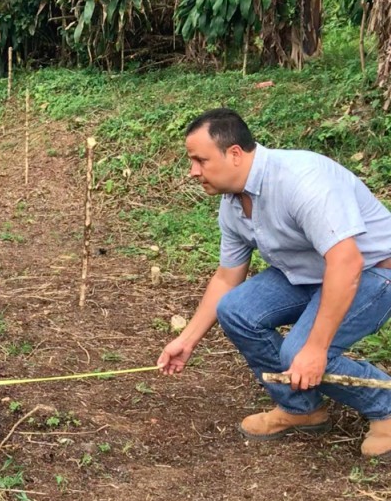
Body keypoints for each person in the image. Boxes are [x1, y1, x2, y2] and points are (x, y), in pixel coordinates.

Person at [157, 108, 391, 459]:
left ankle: (385, 404)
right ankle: (301, 407)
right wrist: (187, 340)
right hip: (310, 274)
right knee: (236, 310)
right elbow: (226, 278)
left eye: (200, 160)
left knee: (302, 351)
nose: (193, 171)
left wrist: (313, 349)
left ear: (234, 153)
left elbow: (347, 263)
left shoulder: (302, 179)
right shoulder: (233, 203)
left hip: (373, 272)